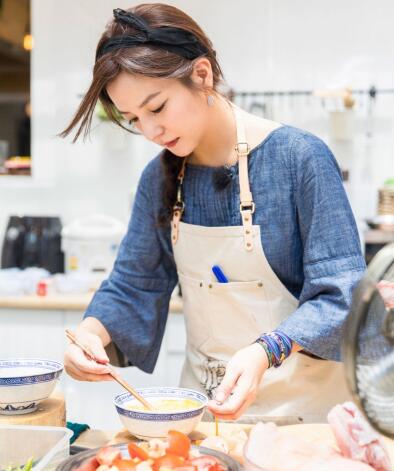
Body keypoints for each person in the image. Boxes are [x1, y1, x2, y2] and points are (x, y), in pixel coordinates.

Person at [61, 4, 366, 423]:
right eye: (133, 119)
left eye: (157, 107)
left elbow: (342, 295)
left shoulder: (298, 159)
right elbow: (135, 283)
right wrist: (91, 334)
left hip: (305, 422)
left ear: (202, 75)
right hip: (208, 420)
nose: (151, 132)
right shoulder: (159, 179)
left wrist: (267, 350)